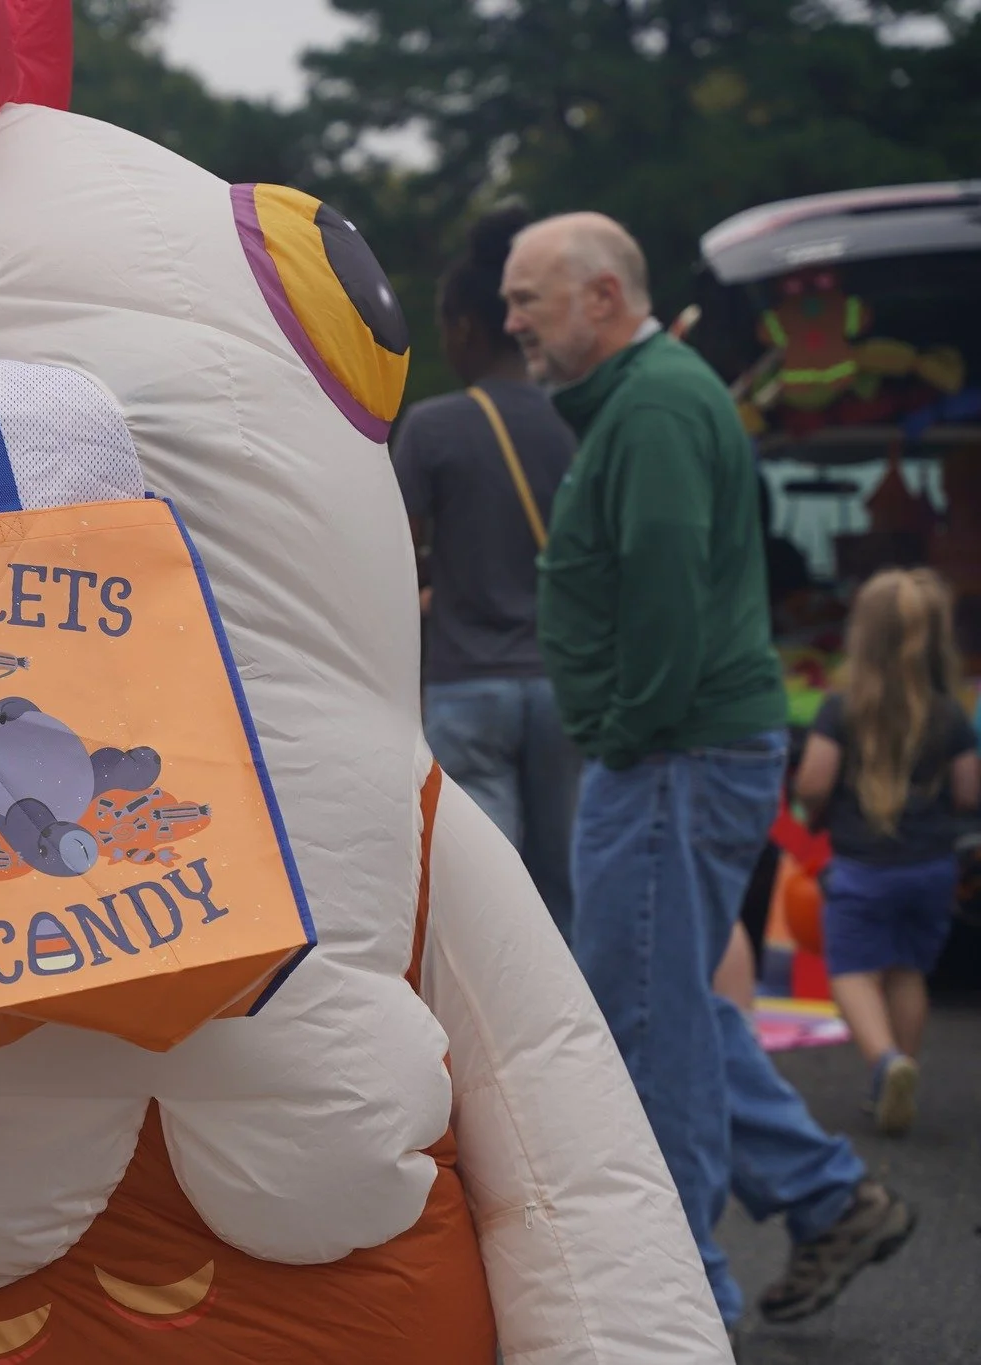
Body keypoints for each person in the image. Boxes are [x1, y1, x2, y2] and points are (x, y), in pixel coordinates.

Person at [508, 212, 910, 1331]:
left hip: (670, 755)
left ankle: (679, 1292)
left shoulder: (654, 405)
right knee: (665, 1004)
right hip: (677, 750)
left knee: (643, 1024)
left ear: (599, 298)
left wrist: (626, 727)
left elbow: (667, 592)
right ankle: (828, 1199)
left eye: (526, 299)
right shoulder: (659, 398)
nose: (510, 322)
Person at [392, 204, 579, 936]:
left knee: (489, 891)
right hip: (562, 681)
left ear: (466, 328)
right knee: (564, 879)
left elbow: (394, 555)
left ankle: (500, 1043)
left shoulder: (436, 425)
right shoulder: (576, 420)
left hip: (468, 680)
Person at [794, 568, 977, 1135]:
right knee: (907, 969)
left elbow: (813, 784)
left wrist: (817, 806)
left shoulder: (840, 710)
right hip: (931, 867)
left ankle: (885, 1063)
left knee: (850, 970)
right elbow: (970, 791)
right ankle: (904, 1074)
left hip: (862, 867)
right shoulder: (951, 715)